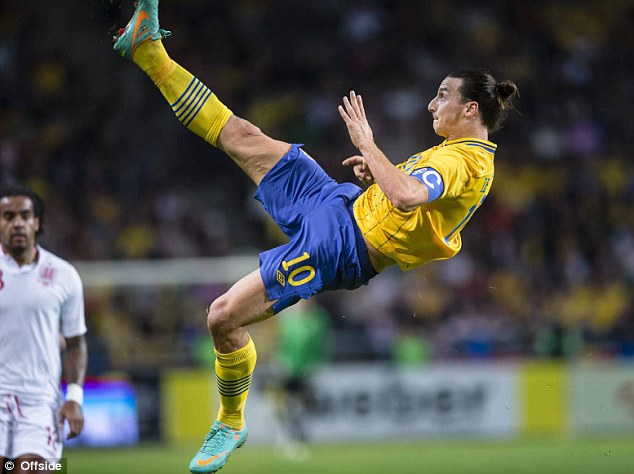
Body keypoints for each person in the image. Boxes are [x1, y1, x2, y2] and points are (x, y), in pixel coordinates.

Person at [112, 2, 518, 472]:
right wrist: (377, 173)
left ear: (470, 108)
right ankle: (150, 52)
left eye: (443, 95)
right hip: (339, 204)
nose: (432, 104)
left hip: (341, 248)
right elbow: (406, 194)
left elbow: (407, 196)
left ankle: (230, 421)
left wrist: (368, 144)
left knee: (221, 317)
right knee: (242, 135)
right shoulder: (455, 151)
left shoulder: (465, 161)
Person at [0, 185, 88, 474]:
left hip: (40, 402)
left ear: (36, 222)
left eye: (25, 216)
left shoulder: (64, 275)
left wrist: (74, 398)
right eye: (8, 216)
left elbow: (75, 342)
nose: (17, 223)